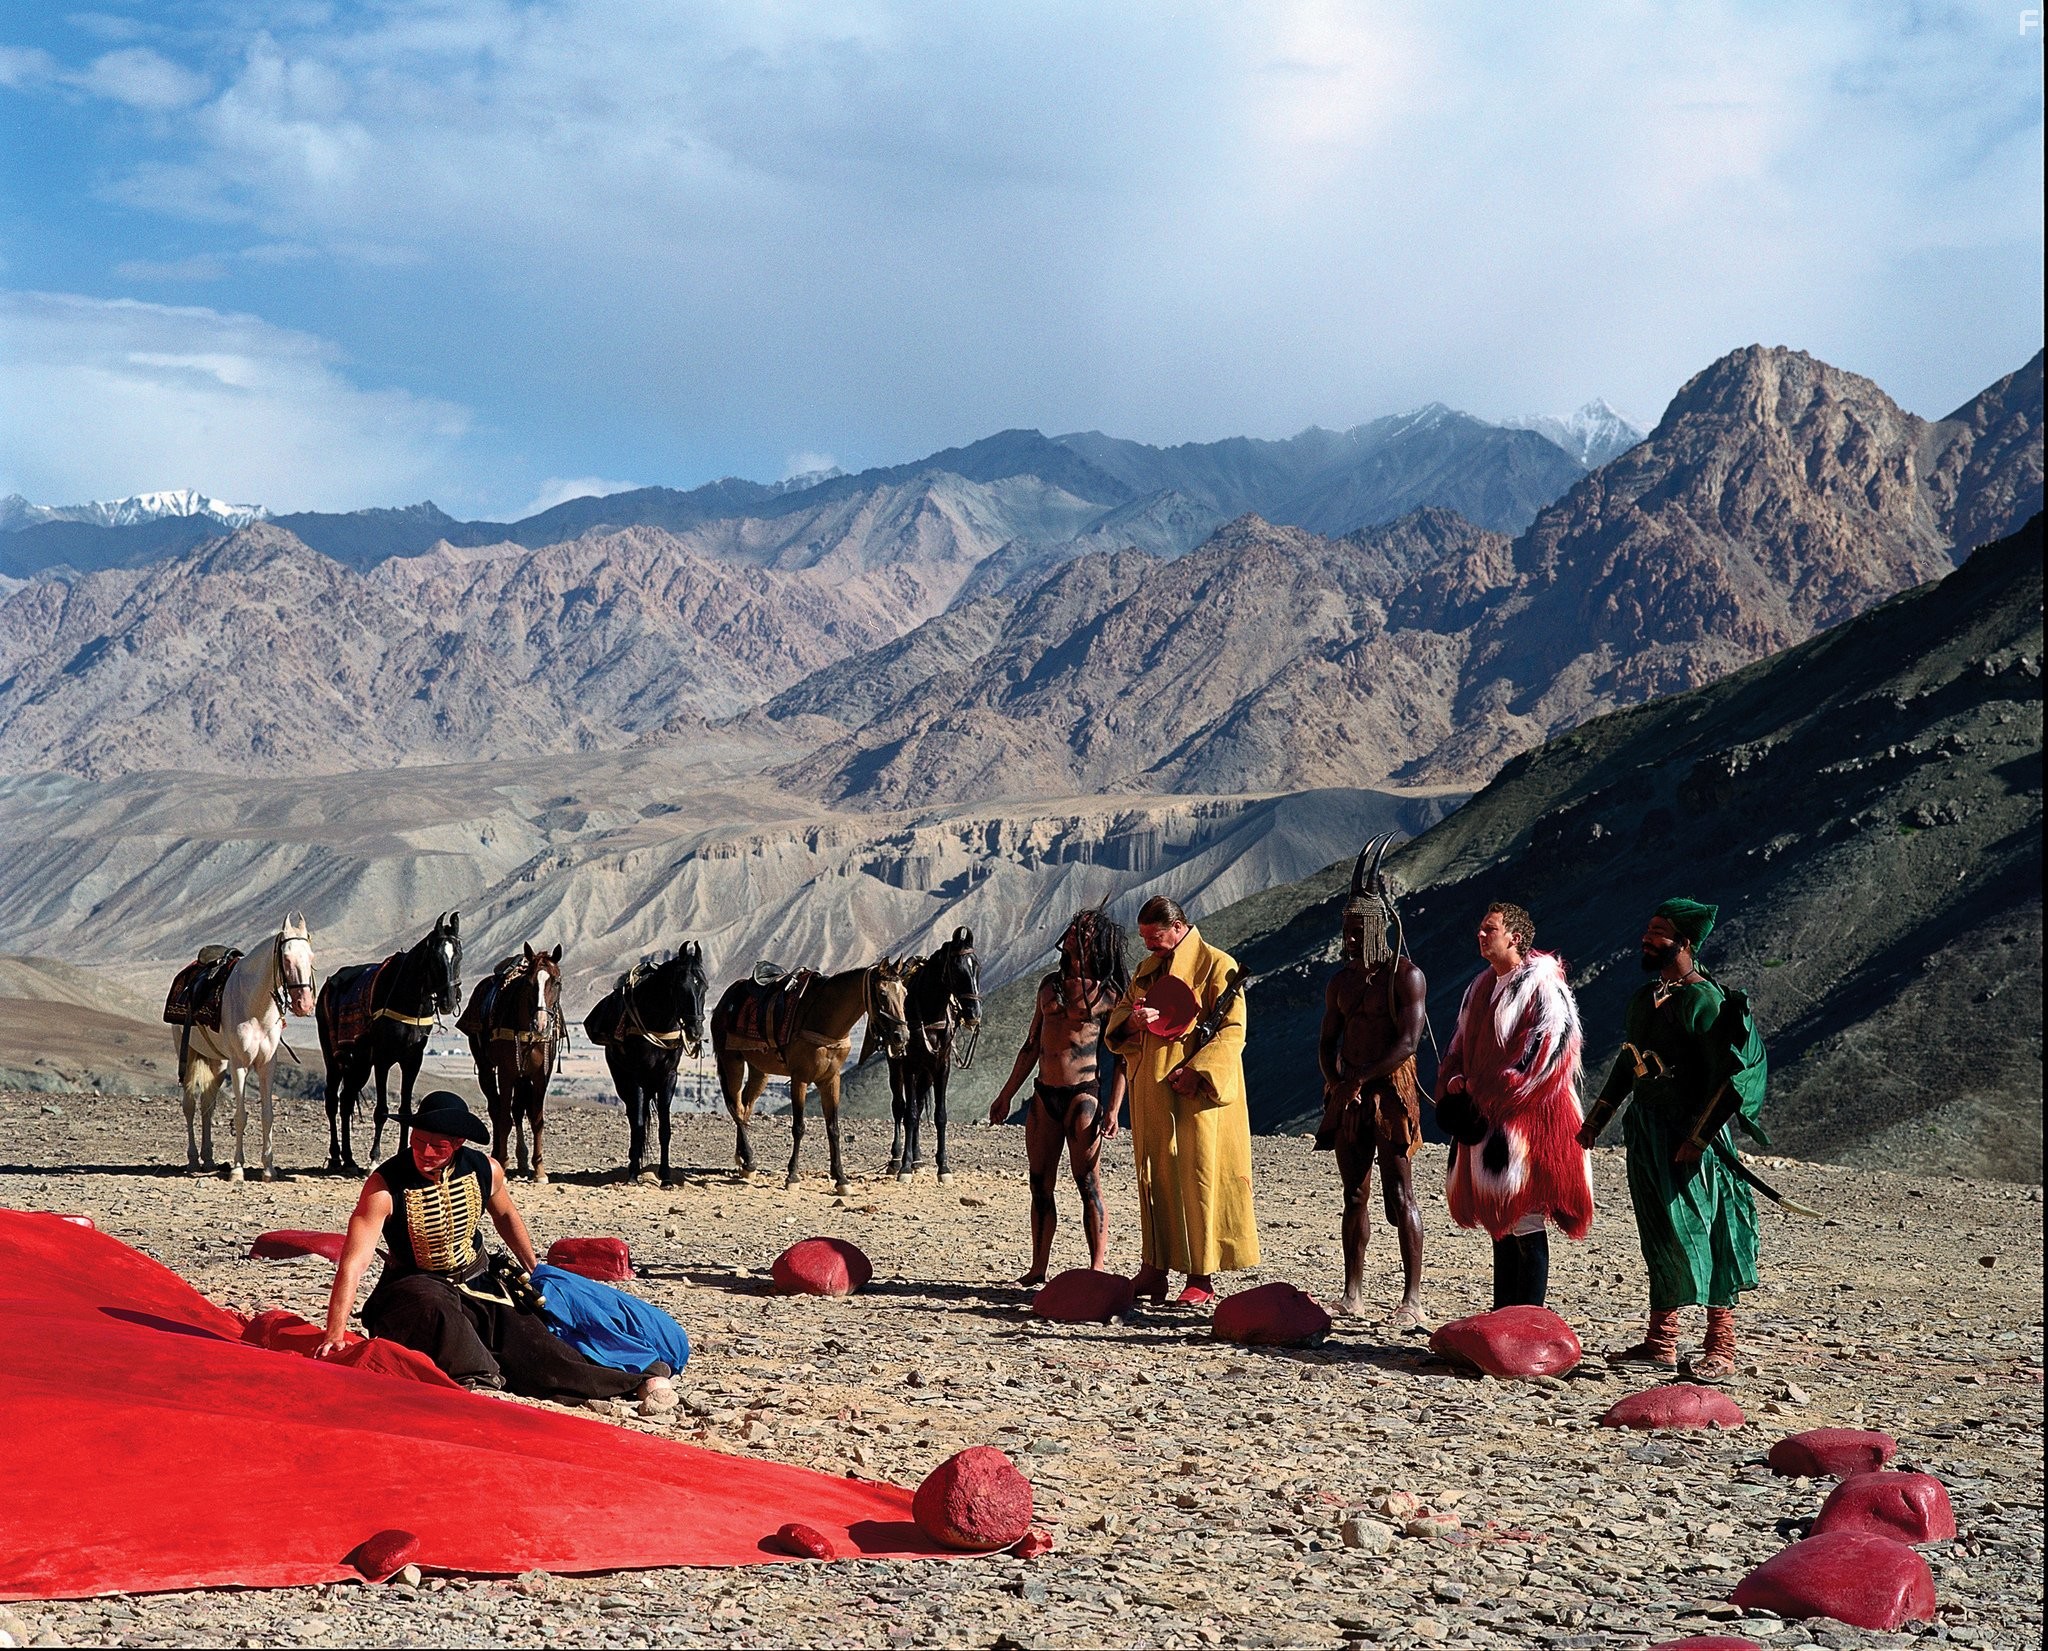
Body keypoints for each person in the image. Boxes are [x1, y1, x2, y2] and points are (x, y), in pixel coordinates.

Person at [318, 1091, 668, 1403]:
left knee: (536, 1347)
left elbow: (506, 1216)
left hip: (479, 1280)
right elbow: (354, 1262)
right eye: (418, 1141)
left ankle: (636, 1381)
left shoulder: (486, 1170)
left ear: (458, 1143)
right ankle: (480, 1379)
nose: (425, 1152)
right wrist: (335, 1331)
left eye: (438, 1147)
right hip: (414, 1286)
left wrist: (533, 1268)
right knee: (437, 1312)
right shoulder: (383, 1186)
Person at [1578, 898, 1760, 1384]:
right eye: (1649, 928)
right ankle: (1661, 1342)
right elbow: (1630, 1061)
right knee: (1659, 1230)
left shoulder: (1706, 1002)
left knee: (1708, 1230)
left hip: (1692, 1138)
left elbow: (1729, 1079)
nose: (1647, 937)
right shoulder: (1645, 998)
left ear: (1684, 941)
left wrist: (1699, 1139)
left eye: (1658, 931)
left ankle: (1721, 1346)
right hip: (1647, 1131)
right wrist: (1597, 1119)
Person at [1435, 902, 1593, 1310]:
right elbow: (1460, 1046)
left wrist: (1490, 1085)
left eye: (1490, 929)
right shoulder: (1481, 987)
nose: (1480, 935)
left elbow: (1547, 1054)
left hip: (1530, 1121)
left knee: (1525, 1216)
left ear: (1515, 938)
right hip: (1490, 1118)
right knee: (1501, 1221)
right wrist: (1455, 1080)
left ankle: (1529, 1318)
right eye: (1481, 928)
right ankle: (1504, 1314)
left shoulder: (1544, 988)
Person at [1104, 896, 1259, 1307]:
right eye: (1144, 939)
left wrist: (1198, 1072)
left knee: (1198, 1177)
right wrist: (1131, 1022)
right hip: (1151, 1092)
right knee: (1154, 1177)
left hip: (1196, 1096)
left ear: (1177, 928)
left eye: (1154, 938)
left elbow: (1233, 1031)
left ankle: (1200, 1276)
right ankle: (1154, 1269)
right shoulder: (1146, 970)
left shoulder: (1217, 966)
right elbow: (1121, 1015)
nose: (1148, 946)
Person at [1315, 837, 1428, 1326]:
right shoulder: (1341, 982)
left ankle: (1412, 1299)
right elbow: (1327, 1041)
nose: (1348, 939)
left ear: (1378, 928)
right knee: (1354, 1194)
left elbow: (1407, 1042)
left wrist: (1357, 1079)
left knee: (1400, 1194)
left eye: (1357, 929)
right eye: (1345, 929)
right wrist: (1336, 1084)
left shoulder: (1406, 976)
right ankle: (1352, 1293)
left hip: (1390, 1094)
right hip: (1349, 1094)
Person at [988, 906, 1131, 1282]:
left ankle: (1097, 1267)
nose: (1072, 934)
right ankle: (1038, 1268)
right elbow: (1031, 1045)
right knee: (1039, 1183)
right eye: (1073, 927)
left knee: (1087, 1182)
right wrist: (1006, 1095)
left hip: (1084, 1097)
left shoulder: (1110, 994)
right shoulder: (1049, 986)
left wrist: (1114, 1109)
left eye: (1082, 930)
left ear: (1096, 941)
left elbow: (1123, 1057)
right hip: (1044, 1094)